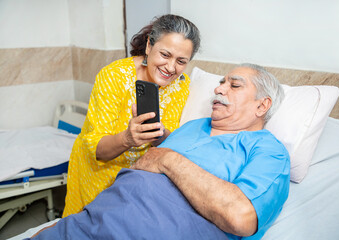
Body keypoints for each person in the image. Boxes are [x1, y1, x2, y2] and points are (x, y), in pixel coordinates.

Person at [31, 64, 290, 240]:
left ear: (262, 105)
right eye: (221, 83)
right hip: (93, 221)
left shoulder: (268, 151)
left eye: (234, 86)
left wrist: (167, 159)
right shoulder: (193, 127)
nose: (218, 89)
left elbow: (241, 218)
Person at [62, 14, 201, 217]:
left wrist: (159, 134)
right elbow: (97, 150)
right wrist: (127, 138)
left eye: (181, 61)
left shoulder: (181, 85)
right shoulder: (113, 77)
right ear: (148, 47)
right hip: (97, 174)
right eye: (165, 55)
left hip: (135, 181)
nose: (171, 67)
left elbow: (168, 139)